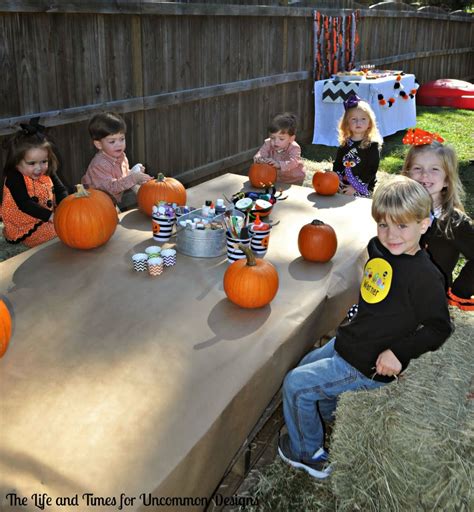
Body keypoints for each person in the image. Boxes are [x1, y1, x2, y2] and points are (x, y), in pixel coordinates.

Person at [278, 175, 452, 479]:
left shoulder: (425, 277)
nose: (391, 234)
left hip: (366, 362)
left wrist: (399, 352)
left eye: (402, 226)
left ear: (424, 225)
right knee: (306, 365)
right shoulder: (380, 249)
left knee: (295, 384)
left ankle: (309, 453)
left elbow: (439, 327)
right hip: (351, 341)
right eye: (383, 224)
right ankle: (329, 414)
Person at [401, 128, 473, 311]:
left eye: (434, 169)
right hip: (398, 289)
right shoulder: (400, 208)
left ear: (447, 180)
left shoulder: (454, 221)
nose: (425, 175)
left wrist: (460, 290)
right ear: (407, 174)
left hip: (429, 299)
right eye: (418, 168)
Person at [1, 121, 68, 247]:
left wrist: (65, 206)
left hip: (47, 217)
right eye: (32, 163)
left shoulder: (46, 170)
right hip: (26, 225)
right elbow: (25, 204)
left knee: (70, 225)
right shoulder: (14, 177)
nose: (39, 168)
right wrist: (51, 217)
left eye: (44, 161)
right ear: (16, 162)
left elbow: (60, 189)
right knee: (59, 233)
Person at [81, 112, 152, 208]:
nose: (119, 144)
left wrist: (135, 172)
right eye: (112, 141)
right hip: (95, 205)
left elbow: (122, 177)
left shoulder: (121, 157)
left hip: (109, 201)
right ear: (99, 144)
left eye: (122, 139)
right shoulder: (99, 164)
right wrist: (133, 178)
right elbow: (111, 187)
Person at [333, 95, 383, 197]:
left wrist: (355, 187)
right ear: (347, 124)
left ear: (370, 123)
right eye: (354, 119)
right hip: (344, 183)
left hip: (363, 185)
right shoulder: (345, 143)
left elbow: (371, 170)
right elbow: (337, 164)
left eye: (363, 119)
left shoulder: (372, 145)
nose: (358, 122)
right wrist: (336, 178)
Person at [253, 112, 305, 185]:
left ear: (291, 138)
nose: (275, 142)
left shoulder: (294, 148)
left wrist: (279, 164)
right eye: (272, 138)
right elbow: (261, 152)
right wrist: (258, 158)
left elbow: (293, 162)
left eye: (281, 139)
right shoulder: (268, 143)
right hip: (276, 178)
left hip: (293, 180)